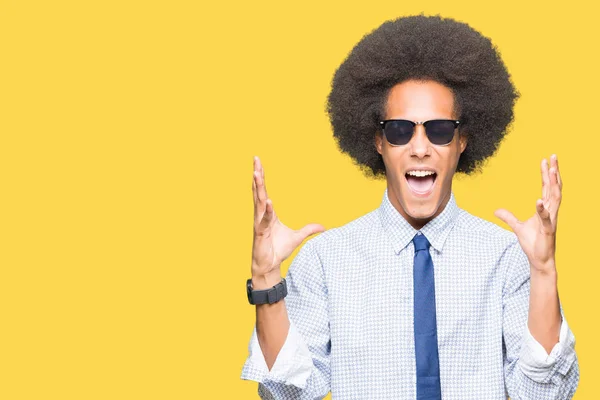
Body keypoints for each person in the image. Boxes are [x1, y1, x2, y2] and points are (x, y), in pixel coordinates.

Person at [240, 15, 579, 399]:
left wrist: (544, 270)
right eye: (401, 130)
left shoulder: (508, 259)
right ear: (379, 142)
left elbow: (543, 395)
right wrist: (266, 277)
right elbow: (287, 395)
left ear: (462, 141)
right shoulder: (324, 260)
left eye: (438, 130)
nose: (420, 147)